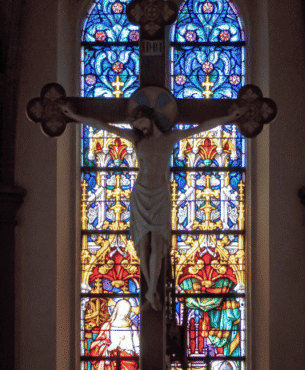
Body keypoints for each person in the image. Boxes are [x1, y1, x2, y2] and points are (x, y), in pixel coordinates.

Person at [62, 103, 241, 311]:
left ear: (150, 118)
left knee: (157, 244)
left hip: (159, 195)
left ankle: (153, 288)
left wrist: (230, 118)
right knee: (142, 243)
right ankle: (150, 289)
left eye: (140, 121)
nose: (139, 126)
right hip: (141, 194)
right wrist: (75, 115)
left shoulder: (169, 138)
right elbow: (105, 127)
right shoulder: (137, 140)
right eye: (136, 123)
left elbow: (200, 128)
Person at [85, 298, 139, 370]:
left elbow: (138, 347)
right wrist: (110, 347)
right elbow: (95, 347)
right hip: (111, 363)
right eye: (123, 308)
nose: (125, 311)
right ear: (117, 309)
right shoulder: (107, 327)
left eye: (127, 309)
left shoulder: (132, 328)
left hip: (129, 363)